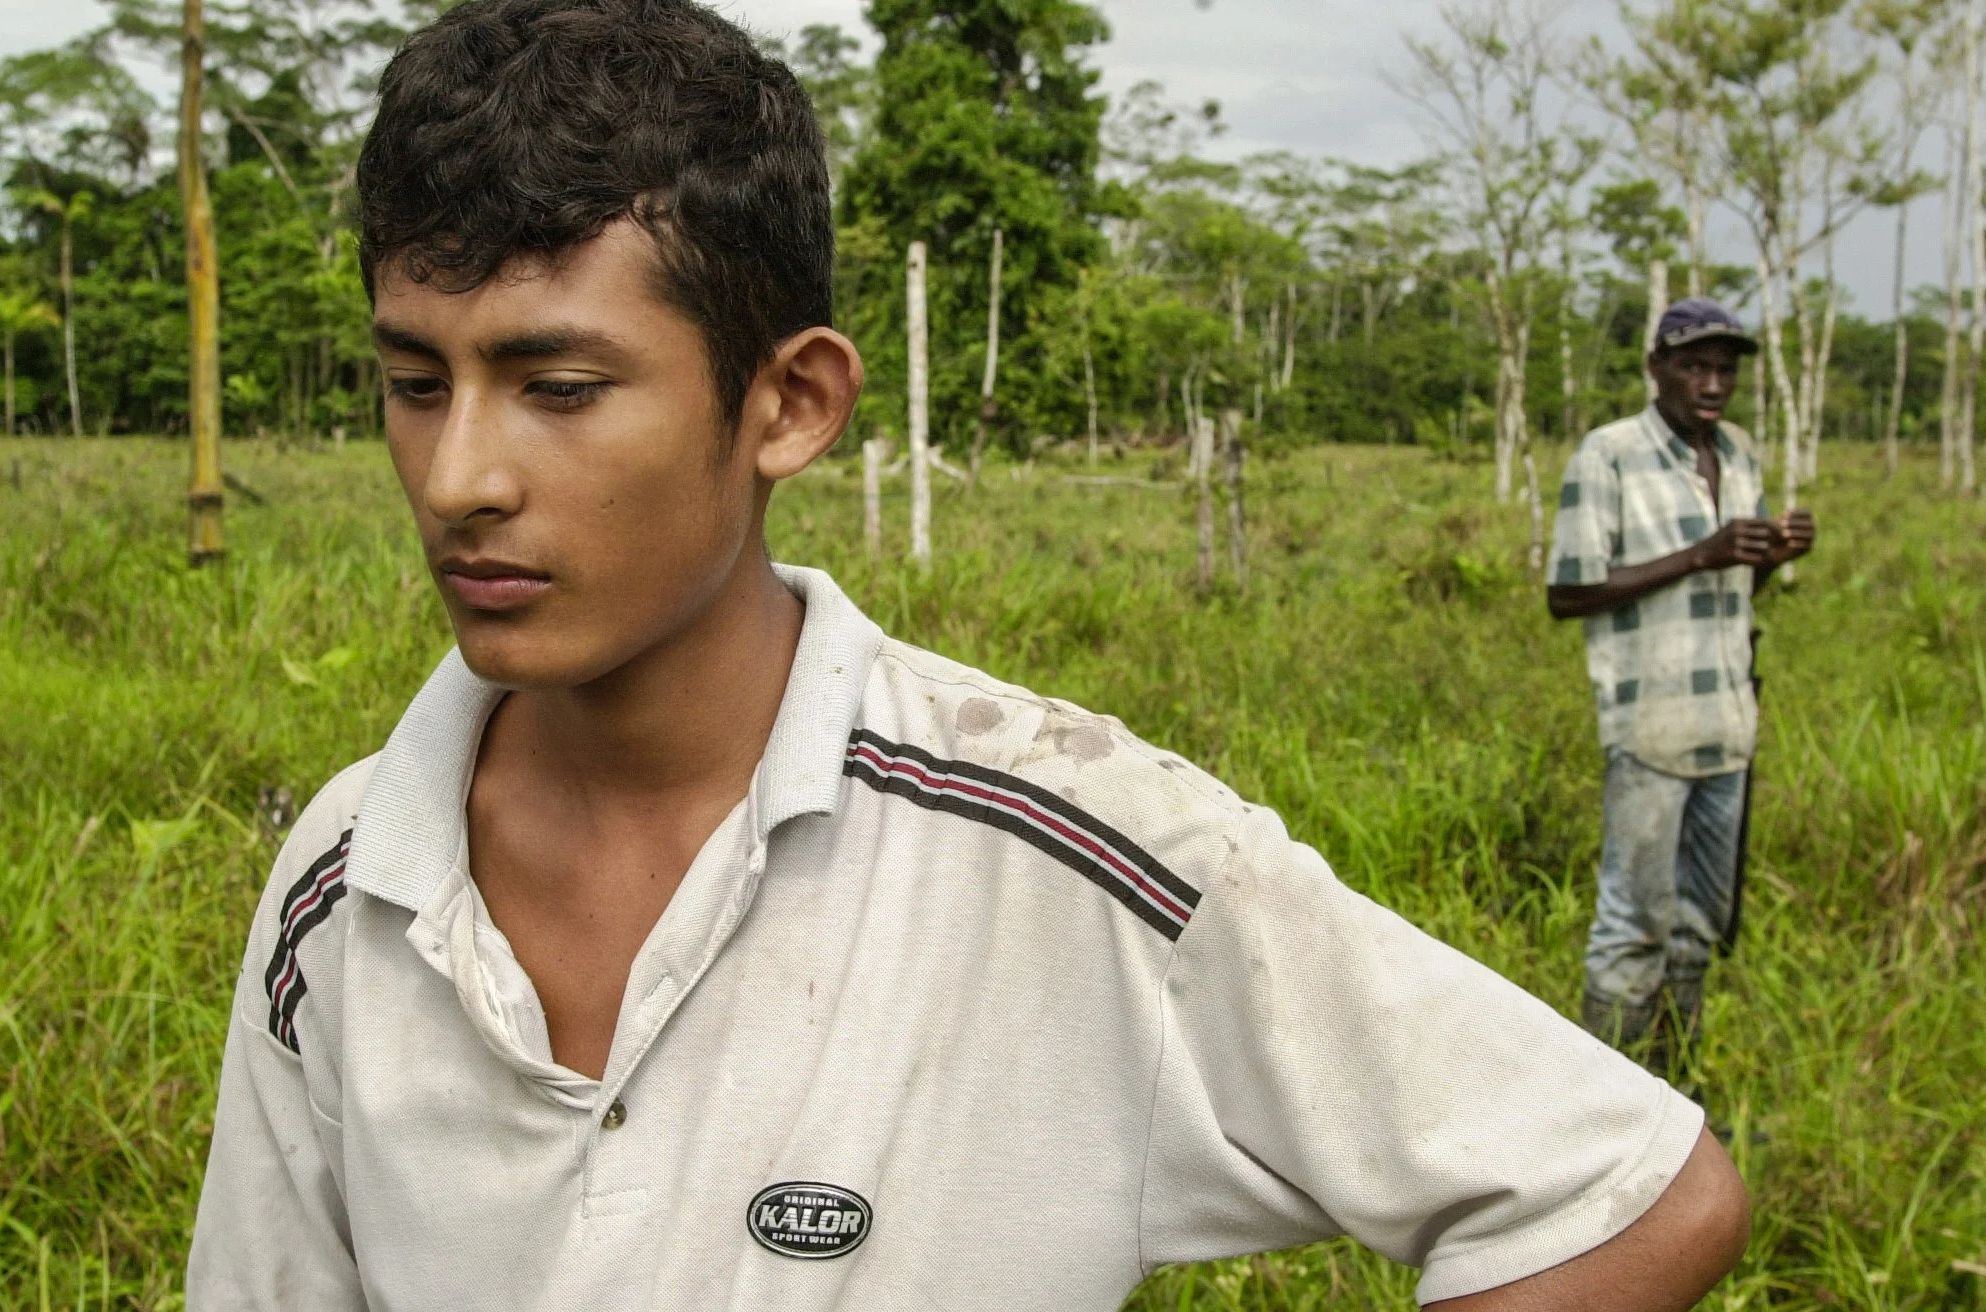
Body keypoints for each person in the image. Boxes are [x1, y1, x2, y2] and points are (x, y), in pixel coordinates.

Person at [187, 3, 1749, 1306]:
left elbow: (1630, 1192)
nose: (461, 476)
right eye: (413, 381)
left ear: (789, 404)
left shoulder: (1063, 850)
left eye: (562, 385)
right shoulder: (346, 884)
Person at [1546, 298, 1815, 1073]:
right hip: (1649, 726)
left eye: (1725, 369)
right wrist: (1705, 552)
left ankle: (1680, 1086)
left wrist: (1773, 553)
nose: (1713, 382)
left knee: (1701, 925)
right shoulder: (1610, 455)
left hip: (1729, 724)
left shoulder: (1739, 452)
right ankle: (1614, 1106)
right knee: (1632, 926)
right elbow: (1568, 593)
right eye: (1695, 365)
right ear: (1656, 368)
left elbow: (1741, 589)